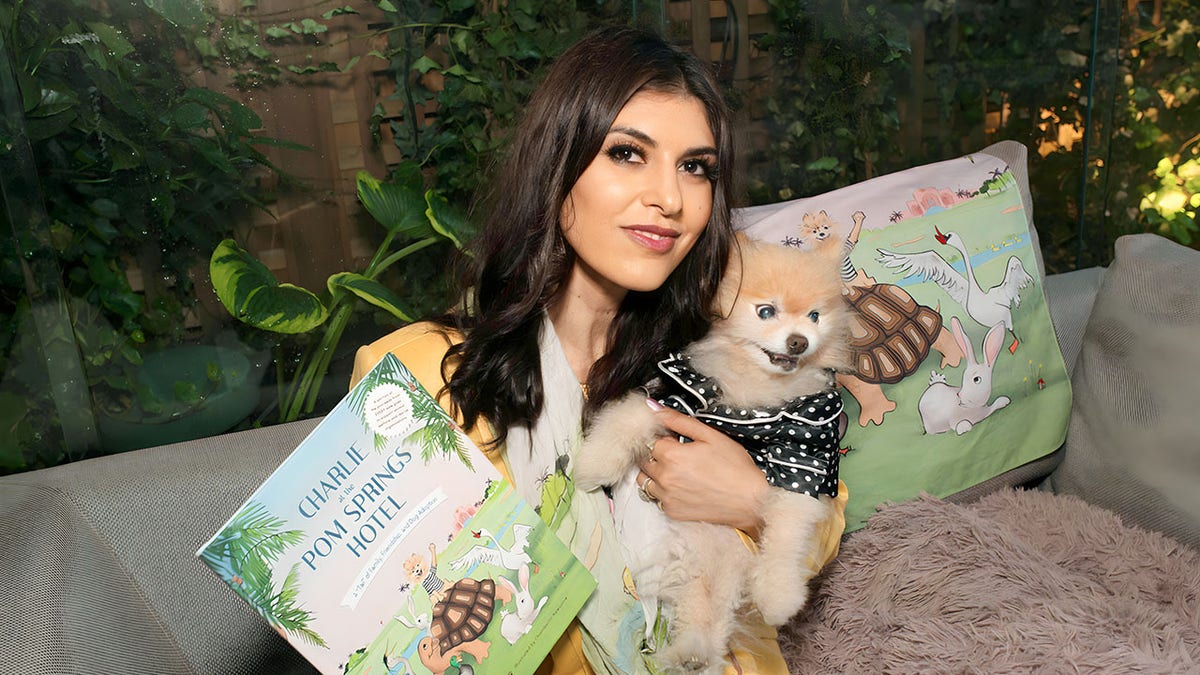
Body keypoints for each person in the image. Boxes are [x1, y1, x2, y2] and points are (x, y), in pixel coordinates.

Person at [351, 25, 848, 674]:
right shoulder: (415, 376)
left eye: (695, 167)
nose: (670, 198)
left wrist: (756, 499)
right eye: (627, 153)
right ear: (558, 169)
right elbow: (391, 639)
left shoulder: (722, 352)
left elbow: (824, 525)